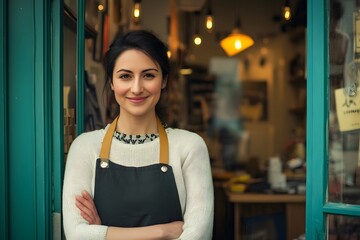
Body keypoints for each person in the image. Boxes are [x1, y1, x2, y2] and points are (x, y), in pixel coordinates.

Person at [62, 30, 214, 240]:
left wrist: (103, 232)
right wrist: (163, 232)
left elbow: (200, 235)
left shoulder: (189, 146)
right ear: (112, 82)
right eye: (125, 76)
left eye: (148, 75)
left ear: (163, 81)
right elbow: (76, 235)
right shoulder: (85, 147)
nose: (136, 88)